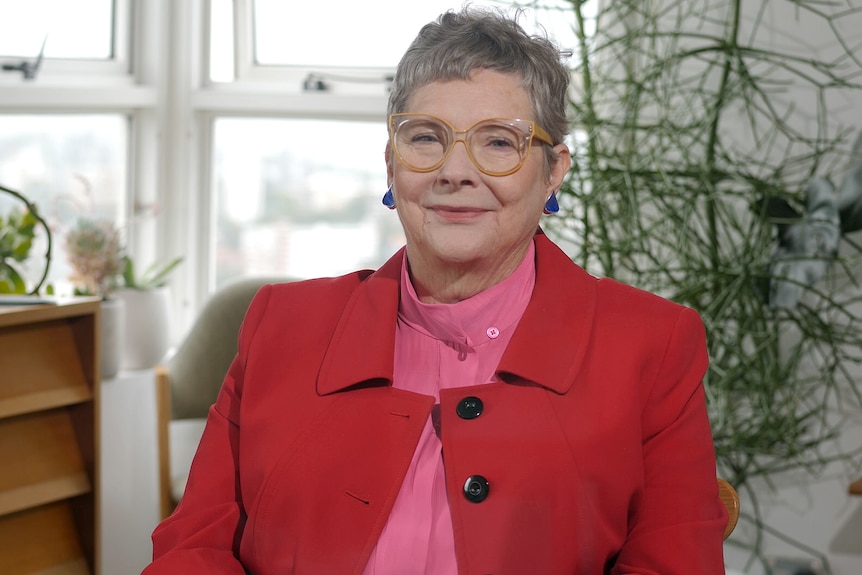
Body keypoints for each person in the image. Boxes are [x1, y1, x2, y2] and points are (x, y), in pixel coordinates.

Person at [143, 7, 727, 575]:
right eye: (426, 138)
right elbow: (193, 547)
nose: (455, 171)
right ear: (392, 165)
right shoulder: (280, 323)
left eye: (499, 143)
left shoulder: (652, 346)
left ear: (553, 171)